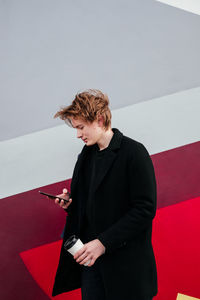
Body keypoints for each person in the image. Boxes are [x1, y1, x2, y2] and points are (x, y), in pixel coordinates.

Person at [51, 89, 158, 300]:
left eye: (81, 127)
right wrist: (71, 204)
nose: (78, 134)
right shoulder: (86, 156)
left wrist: (103, 243)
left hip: (126, 265)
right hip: (92, 264)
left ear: (99, 120)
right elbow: (93, 204)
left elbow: (145, 209)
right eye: (76, 128)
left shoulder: (134, 152)